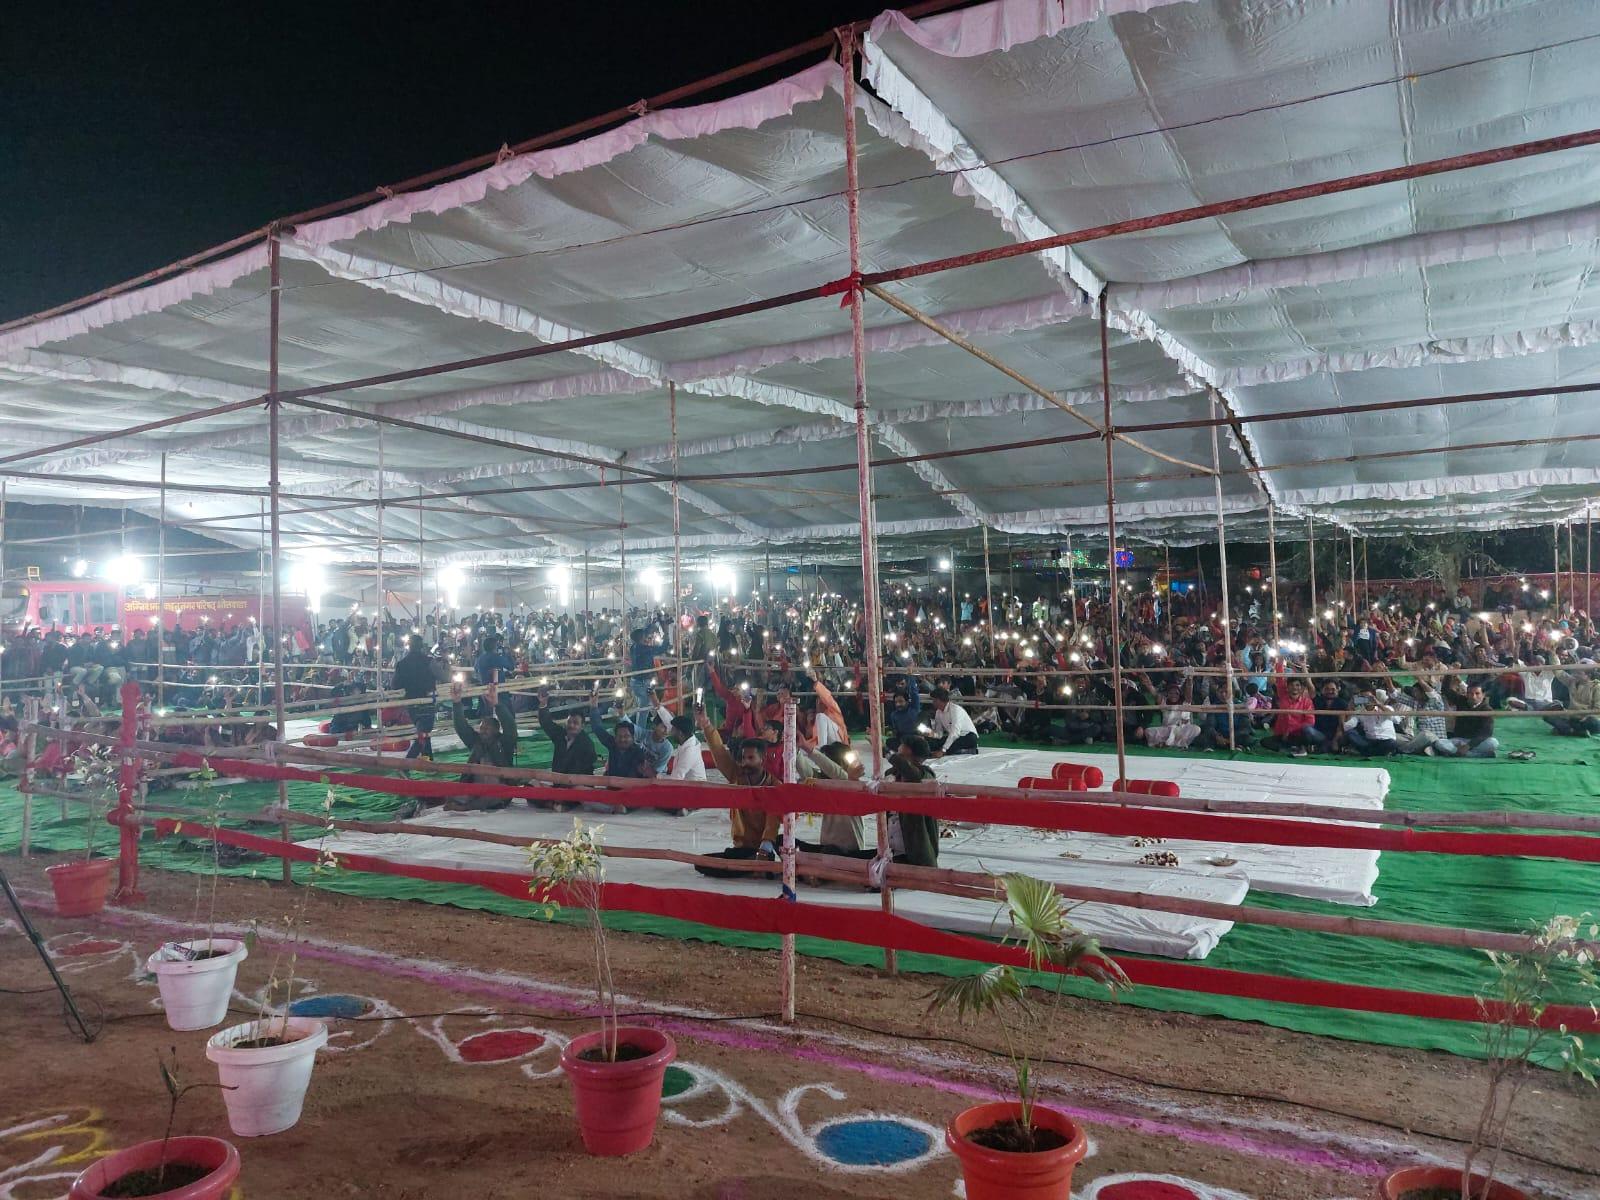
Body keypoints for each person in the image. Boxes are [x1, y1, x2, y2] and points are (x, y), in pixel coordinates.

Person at [446, 679, 517, 812]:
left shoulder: (505, 742)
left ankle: (465, 808)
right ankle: (466, 804)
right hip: (475, 788)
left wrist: (497, 704)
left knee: (492, 795)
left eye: (486, 728)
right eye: (481, 728)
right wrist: (456, 703)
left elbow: (510, 726)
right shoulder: (476, 742)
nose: (483, 731)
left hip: (498, 790)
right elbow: (461, 727)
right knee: (451, 794)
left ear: (496, 730)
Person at [884, 735, 940, 867]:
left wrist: (886, 752)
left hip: (915, 852)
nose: (898, 748)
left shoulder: (926, 774)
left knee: (886, 871)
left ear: (908, 752)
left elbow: (911, 773)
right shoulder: (892, 773)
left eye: (902, 746)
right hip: (891, 847)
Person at [392, 635, 440, 760]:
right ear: (421, 646)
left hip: (411, 701)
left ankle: (428, 760)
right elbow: (444, 677)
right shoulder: (429, 661)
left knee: (423, 731)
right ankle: (406, 765)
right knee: (424, 733)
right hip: (427, 700)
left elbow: (395, 685)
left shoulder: (401, 664)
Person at [1434, 679, 1498, 757]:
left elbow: (1486, 733)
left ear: (1483, 695)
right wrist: (1451, 673)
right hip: (1459, 740)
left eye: (1477, 693)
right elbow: (1445, 690)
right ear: (1467, 694)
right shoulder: (1461, 701)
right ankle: (1476, 755)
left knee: (1493, 742)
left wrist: (1468, 746)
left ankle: (1456, 752)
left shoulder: (1487, 709)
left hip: (1476, 742)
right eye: (1471, 693)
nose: (1474, 696)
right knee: (1439, 743)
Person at [1267, 664, 1323, 757]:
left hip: (1300, 734)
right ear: (1287, 687)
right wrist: (1280, 660)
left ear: (1301, 688)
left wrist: (1291, 730)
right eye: (1291, 685)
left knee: (1307, 730)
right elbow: (1280, 679)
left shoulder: (1307, 701)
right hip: (1286, 734)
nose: (1294, 687)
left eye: (1297, 685)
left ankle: (1301, 748)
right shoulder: (1283, 696)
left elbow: (1310, 721)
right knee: (1265, 742)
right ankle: (1292, 748)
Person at [927, 686, 978, 757]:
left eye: (934, 700)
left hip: (968, 736)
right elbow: (939, 734)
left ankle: (967, 750)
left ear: (939, 700)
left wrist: (943, 750)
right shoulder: (938, 712)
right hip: (955, 737)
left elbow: (955, 733)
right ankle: (954, 750)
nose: (933, 702)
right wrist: (931, 734)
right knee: (933, 743)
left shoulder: (956, 710)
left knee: (949, 746)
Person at [666, 713, 708, 781]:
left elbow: (675, 779)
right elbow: (667, 721)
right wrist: (659, 708)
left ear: (680, 733)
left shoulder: (689, 752)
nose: (671, 732)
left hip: (695, 789)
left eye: (673, 729)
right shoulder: (687, 737)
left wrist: (657, 776)